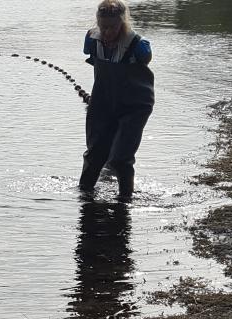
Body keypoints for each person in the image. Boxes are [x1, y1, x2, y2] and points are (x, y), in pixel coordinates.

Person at [79, 0, 154, 199]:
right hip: (103, 102)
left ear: (122, 23)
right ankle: (84, 195)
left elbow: (144, 66)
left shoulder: (139, 46)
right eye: (103, 26)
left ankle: (125, 200)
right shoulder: (91, 40)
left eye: (112, 27)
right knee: (95, 154)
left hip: (135, 105)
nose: (107, 31)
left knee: (121, 158)